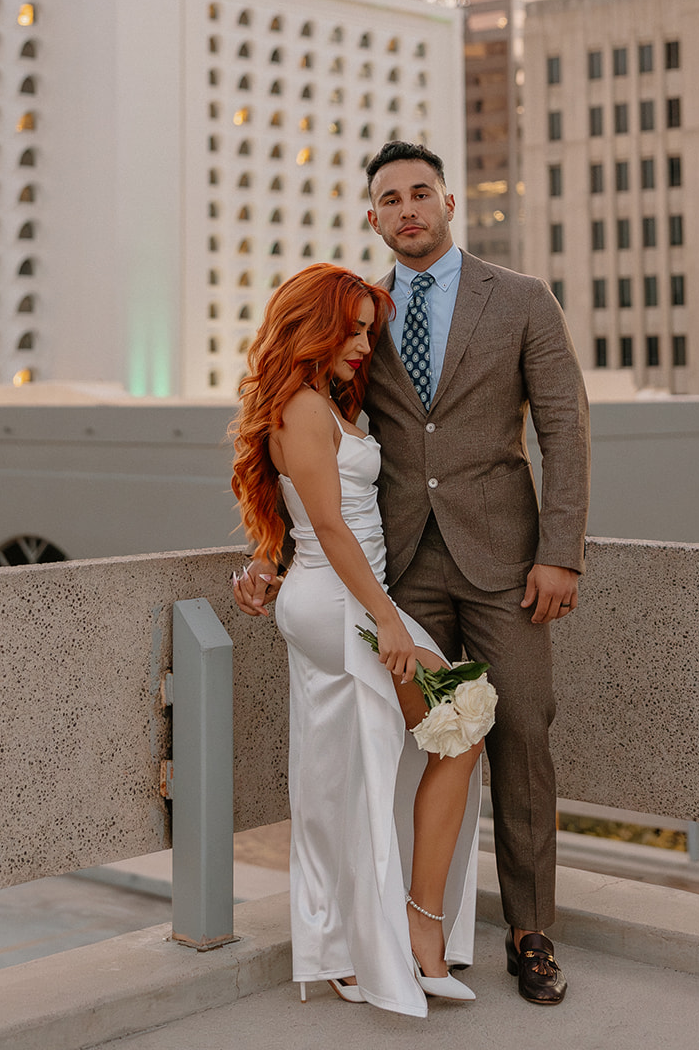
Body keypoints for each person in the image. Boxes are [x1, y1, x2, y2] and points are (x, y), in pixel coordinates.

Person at [237, 141, 590, 1005]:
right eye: (388, 199)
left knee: (518, 735)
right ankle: (396, 925)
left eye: (419, 193)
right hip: (394, 569)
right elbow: (313, 456)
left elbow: (564, 429)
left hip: (507, 562)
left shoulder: (521, 300)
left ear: (449, 202)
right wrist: (274, 557)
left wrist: (559, 551)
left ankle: (529, 931)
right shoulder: (362, 313)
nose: (406, 210)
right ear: (372, 217)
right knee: (405, 745)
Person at [231, 263, 484, 1017]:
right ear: (314, 325)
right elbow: (331, 527)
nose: (361, 344)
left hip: (348, 597)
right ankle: (385, 938)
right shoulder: (300, 409)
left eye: (369, 331)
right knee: (451, 722)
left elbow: (301, 515)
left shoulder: (323, 404)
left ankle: (392, 932)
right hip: (341, 603)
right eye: (351, 328)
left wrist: (262, 558)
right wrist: (389, 621)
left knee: (384, 760)